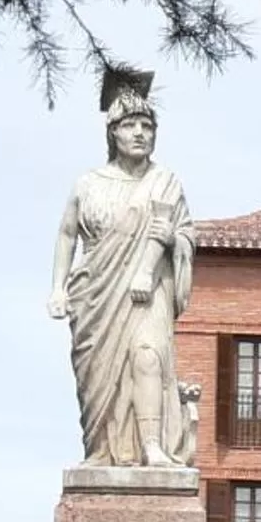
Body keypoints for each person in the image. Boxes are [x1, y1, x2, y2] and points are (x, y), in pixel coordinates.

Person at [46, 65, 197, 466]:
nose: (140, 133)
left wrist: (154, 261)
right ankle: (101, 450)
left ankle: (152, 446)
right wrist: (58, 288)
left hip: (149, 291)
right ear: (113, 132)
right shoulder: (87, 183)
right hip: (96, 292)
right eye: (130, 125)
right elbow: (66, 235)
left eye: (147, 125)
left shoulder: (166, 181)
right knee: (99, 377)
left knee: (148, 355)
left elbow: (180, 232)